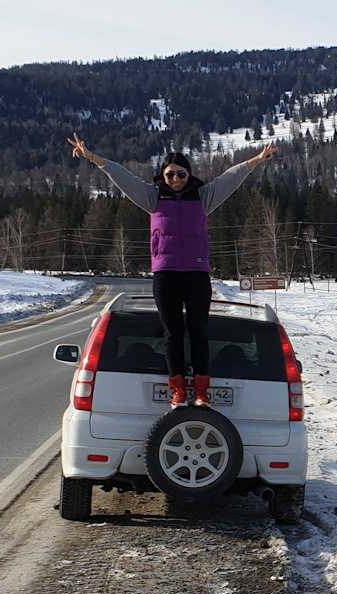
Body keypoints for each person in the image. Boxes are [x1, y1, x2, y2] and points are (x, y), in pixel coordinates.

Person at [68, 133, 278, 406]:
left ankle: (202, 390)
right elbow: (122, 177)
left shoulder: (204, 198)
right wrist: (92, 158)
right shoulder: (152, 198)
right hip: (165, 274)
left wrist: (258, 160)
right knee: (173, 334)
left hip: (197, 274)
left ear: (189, 174)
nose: (176, 179)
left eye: (181, 174)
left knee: (200, 332)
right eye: (170, 175)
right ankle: (178, 389)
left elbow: (231, 177)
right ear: (162, 176)